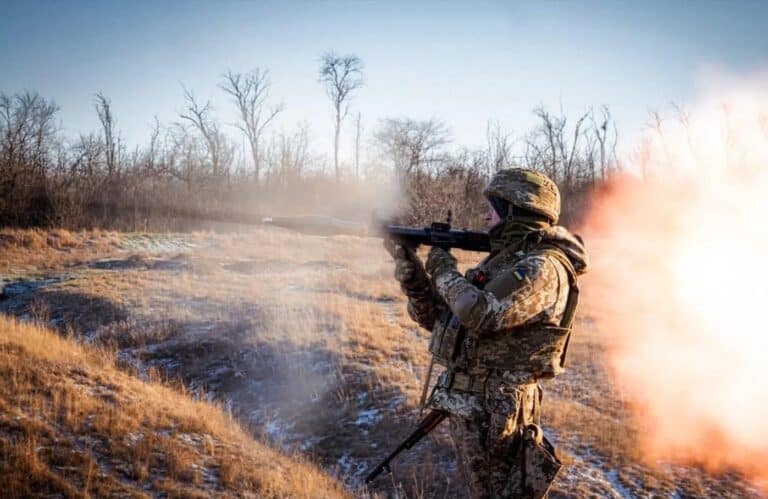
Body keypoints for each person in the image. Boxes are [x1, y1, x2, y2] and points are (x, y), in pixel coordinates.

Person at [388, 169, 589, 498]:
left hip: (498, 411)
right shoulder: (501, 264)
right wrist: (415, 279)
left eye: (493, 206)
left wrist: (442, 265)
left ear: (517, 210)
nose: (484, 214)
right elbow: (445, 319)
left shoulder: (543, 267)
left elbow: (479, 313)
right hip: (474, 405)